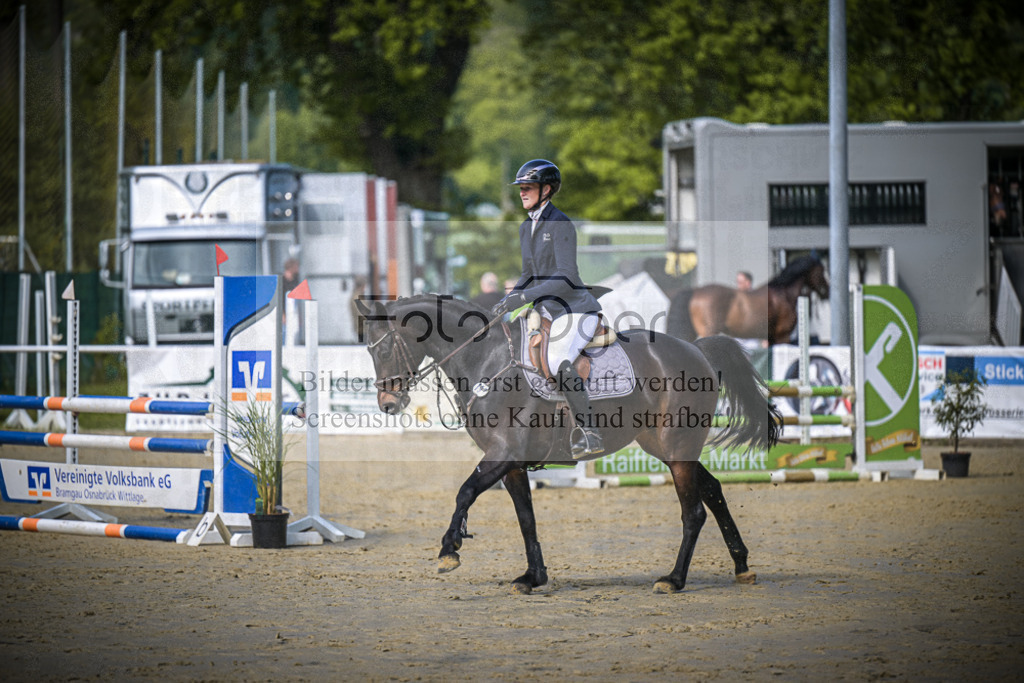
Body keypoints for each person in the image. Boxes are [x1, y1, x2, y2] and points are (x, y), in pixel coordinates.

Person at [491, 159, 604, 458]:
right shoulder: (526, 226)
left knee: (557, 361)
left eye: (527, 188)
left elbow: (566, 275)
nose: (522, 193)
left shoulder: (560, 224)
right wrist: (509, 298)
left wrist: (526, 296)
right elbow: (529, 271)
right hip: (549, 310)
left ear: (547, 189)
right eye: (520, 189)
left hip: (576, 309)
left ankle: (591, 432)